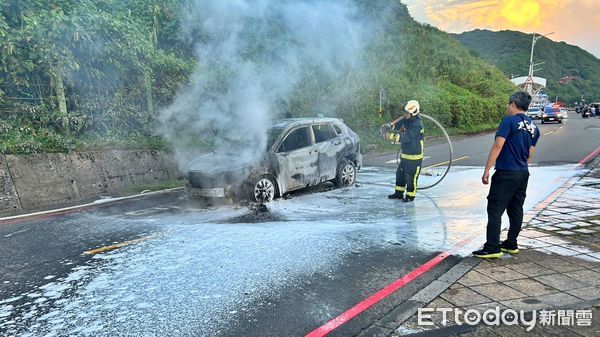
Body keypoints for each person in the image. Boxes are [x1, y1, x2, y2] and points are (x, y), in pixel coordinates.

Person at [473, 91, 541, 259]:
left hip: (506, 173)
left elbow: (498, 145)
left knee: (495, 209)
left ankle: (492, 247)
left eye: (508, 104)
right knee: (516, 209)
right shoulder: (534, 127)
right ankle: (511, 243)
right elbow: (530, 154)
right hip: (522, 173)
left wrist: (487, 169)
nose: (507, 107)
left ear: (513, 104)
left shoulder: (508, 121)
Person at [386, 100, 424, 203]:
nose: (405, 114)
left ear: (414, 112)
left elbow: (405, 137)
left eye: (408, 113)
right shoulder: (407, 120)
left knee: (411, 177)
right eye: (406, 112)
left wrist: (388, 136)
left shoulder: (417, 124)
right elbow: (398, 125)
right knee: (400, 174)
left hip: (414, 158)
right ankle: (399, 193)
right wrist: (389, 126)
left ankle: (410, 196)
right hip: (405, 156)